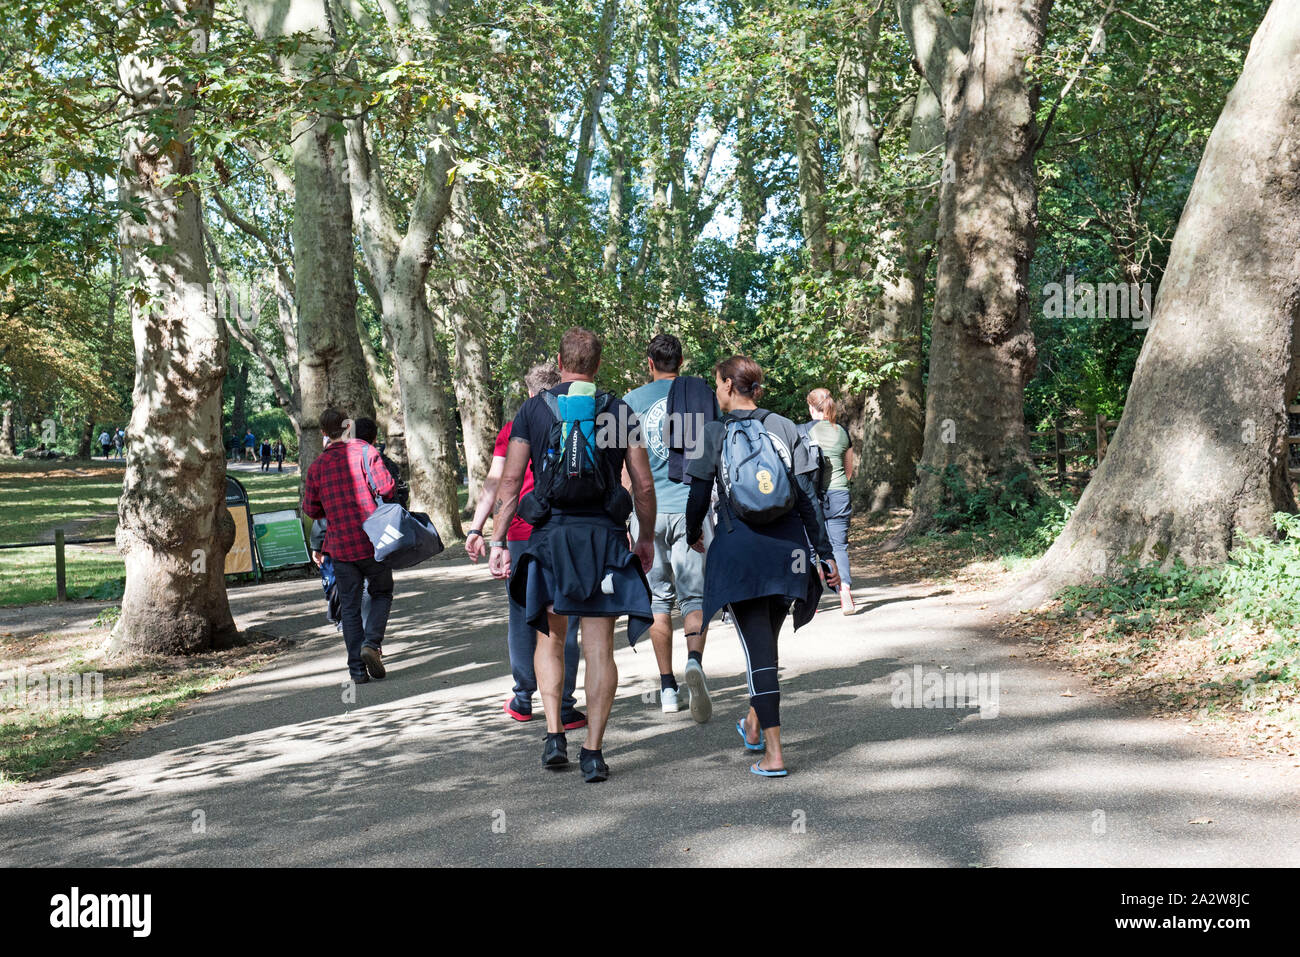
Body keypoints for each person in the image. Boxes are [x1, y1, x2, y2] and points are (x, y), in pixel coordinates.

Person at [489, 327, 657, 783]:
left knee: (550, 639)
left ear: (559, 361)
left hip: (549, 540)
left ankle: (553, 735)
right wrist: (645, 538)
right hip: (603, 539)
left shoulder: (533, 409)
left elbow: (509, 482)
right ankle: (594, 753)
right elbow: (642, 483)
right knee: (599, 647)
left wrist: (499, 539)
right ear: (597, 365)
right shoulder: (619, 411)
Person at [685, 356, 839, 778]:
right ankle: (753, 726)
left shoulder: (713, 433)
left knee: (759, 658)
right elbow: (809, 498)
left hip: (741, 553)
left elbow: (698, 497)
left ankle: (773, 755)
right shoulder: (786, 427)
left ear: (731, 387)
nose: (716, 392)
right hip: (787, 552)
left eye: (718, 384)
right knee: (764, 647)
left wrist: (692, 532)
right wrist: (824, 555)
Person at [466, 362, 585, 731]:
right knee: (566, 614)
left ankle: (523, 698)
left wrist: (480, 529)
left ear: (529, 392)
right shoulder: (579, 420)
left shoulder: (515, 425)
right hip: (569, 530)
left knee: (522, 614)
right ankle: (564, 704)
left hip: (521, 532)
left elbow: (498, 482)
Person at [622, 333, 719, 722]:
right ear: (682, 361)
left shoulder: (630, 402)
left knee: (658, 600)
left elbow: (625, 470)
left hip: (648, 513)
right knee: (694, 599)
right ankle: (693, 662)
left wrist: (630, 519)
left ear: (649, 362)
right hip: (690, 507)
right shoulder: (701, 396)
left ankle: (666, 688)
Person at [302, 407, 396, 684]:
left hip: (340, 547)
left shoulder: (317, 467)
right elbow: (388, 489)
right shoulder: (366, 453)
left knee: (351, 608)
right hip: (372, 541)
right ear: (348, 427)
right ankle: (372, 642)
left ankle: (357, 670)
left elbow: (311, 509)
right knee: (382, 592)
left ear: (323, 433)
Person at [803, 388, 856, 614]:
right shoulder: (842, 432)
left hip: (810, 497)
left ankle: (810, 600)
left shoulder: (804, 431)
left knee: (808, 547)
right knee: (838, 545)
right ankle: (844, 590)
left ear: (812, 408)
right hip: (839, 493)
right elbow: (849, 470)